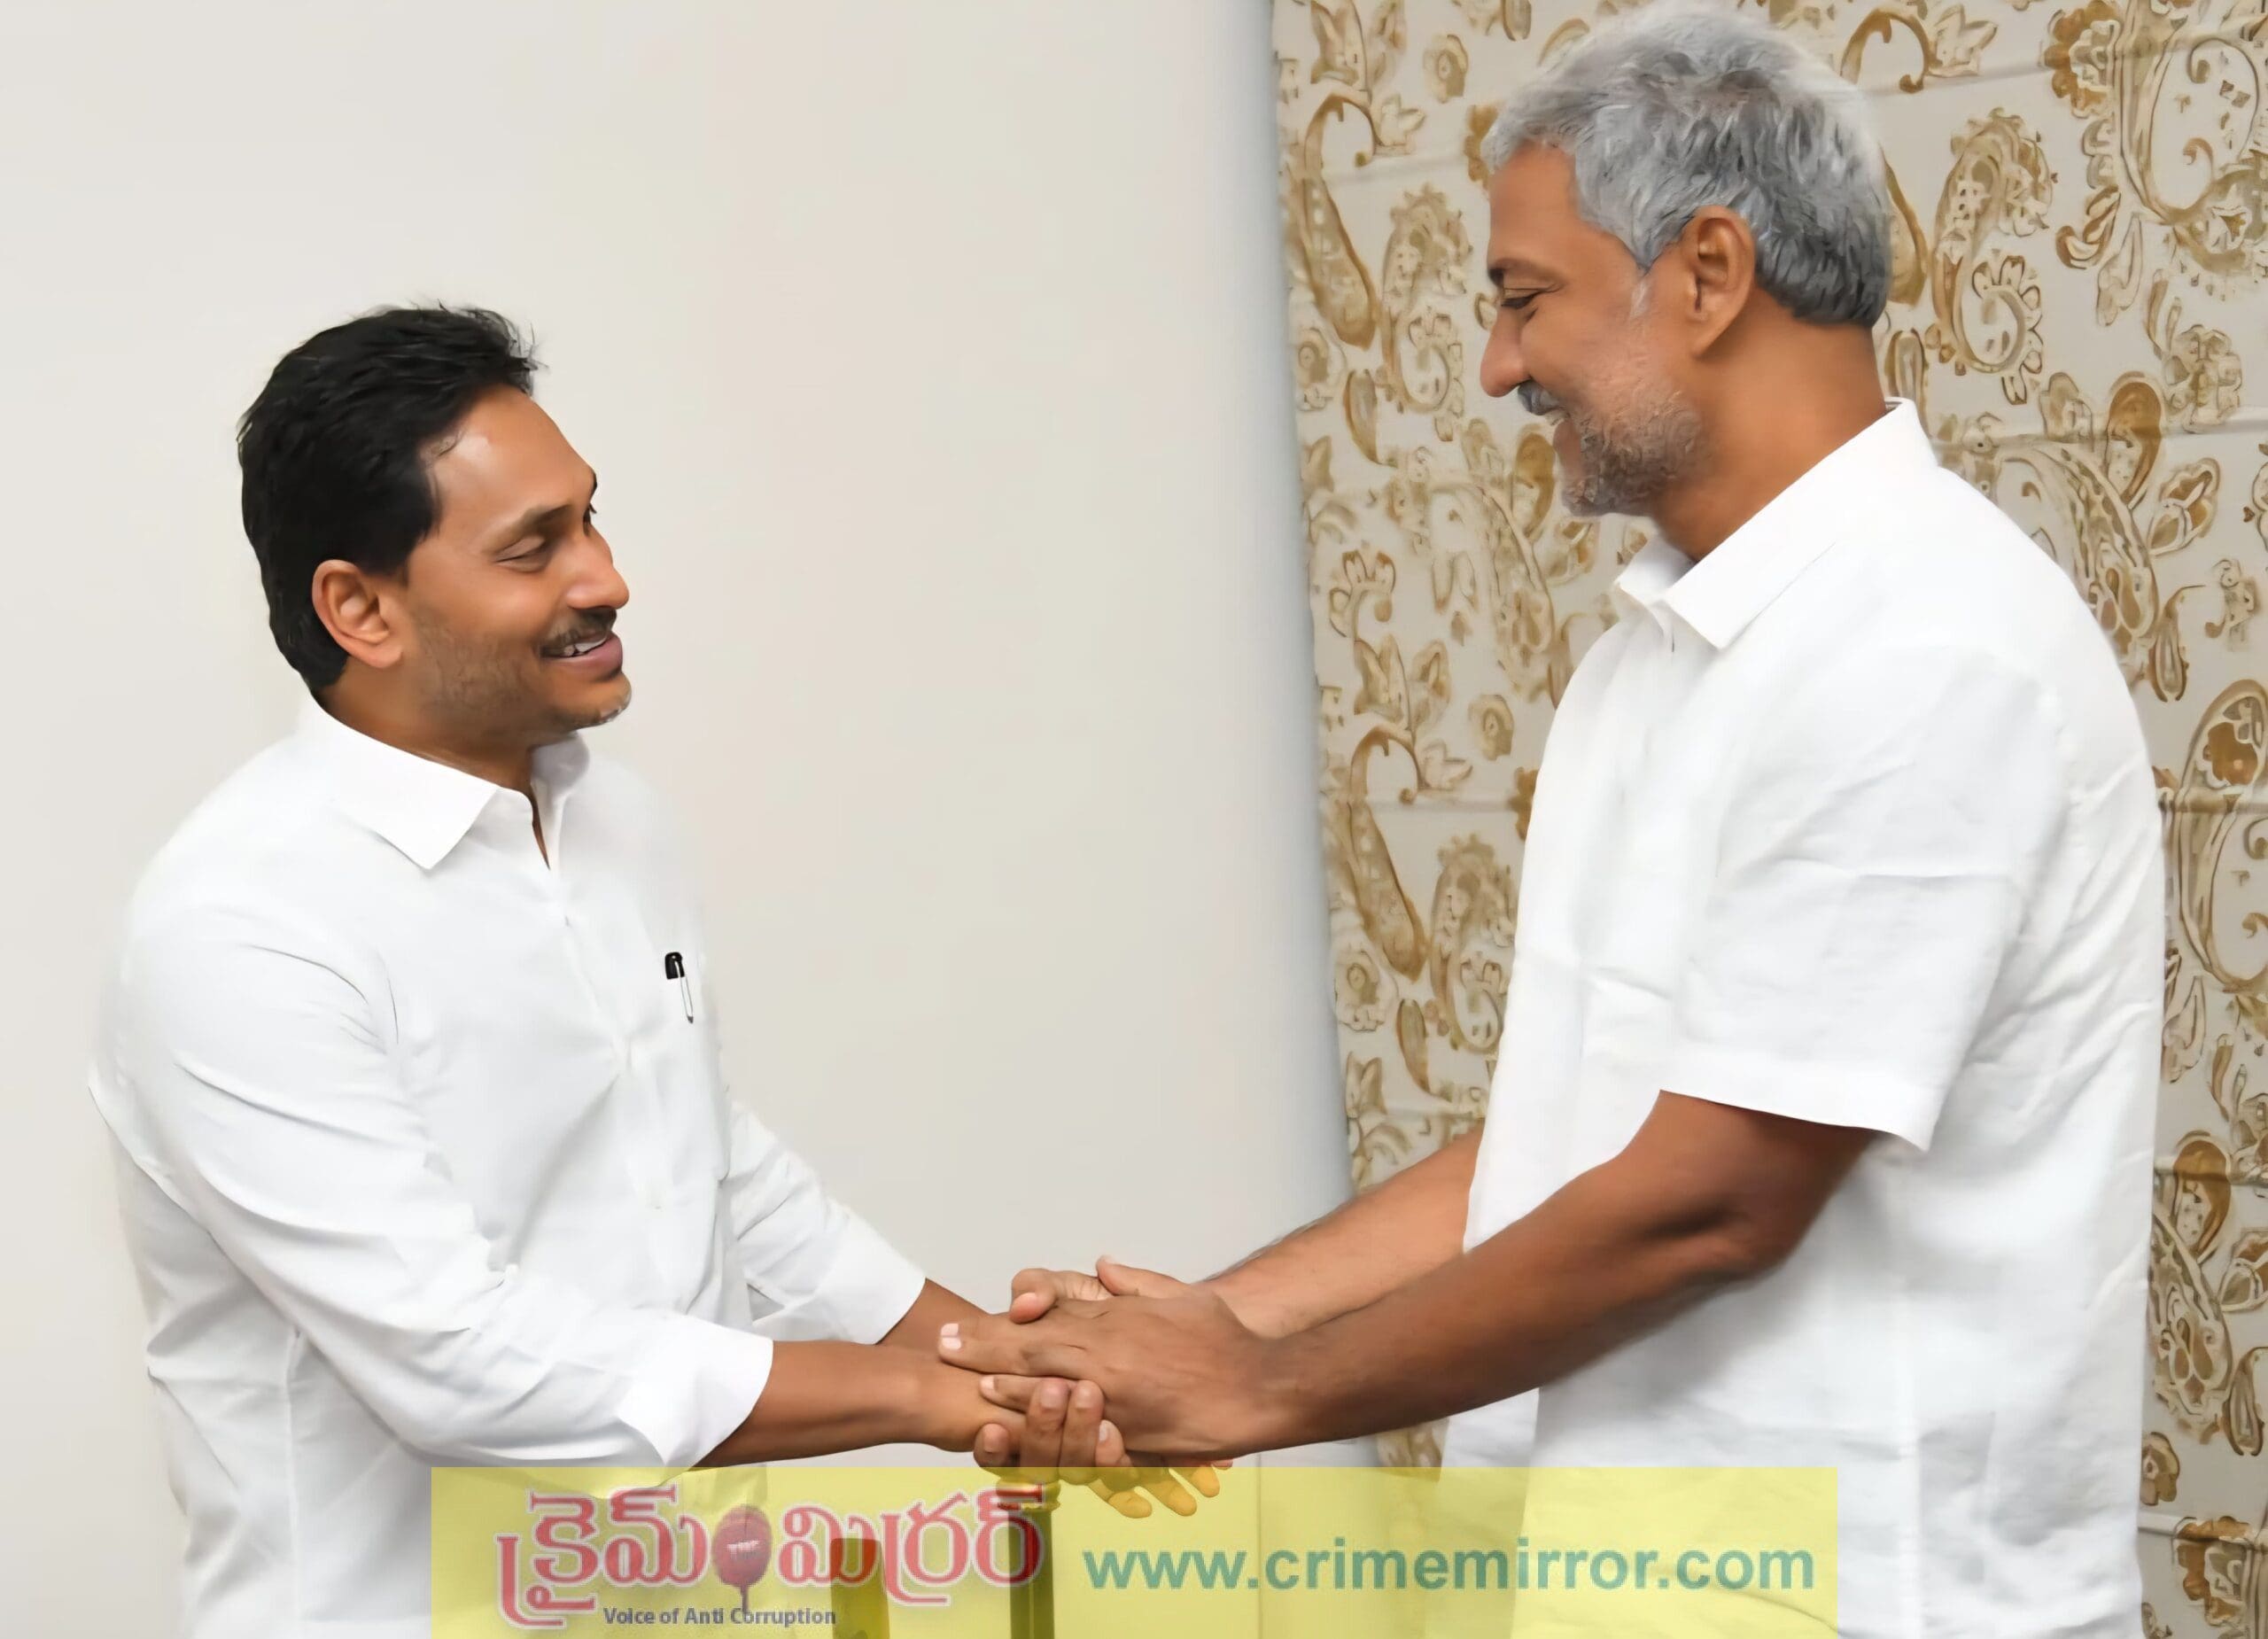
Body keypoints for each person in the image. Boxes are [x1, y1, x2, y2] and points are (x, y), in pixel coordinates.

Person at [938, 8, 2161, 1635]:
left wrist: (1251, 1391)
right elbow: (1575, 1135)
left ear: (1707, 273)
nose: (1499, 366)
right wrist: (1205, 1325)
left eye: (1525, 299)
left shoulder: (1923, 649)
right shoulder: (1663, 657)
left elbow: (1711, 1198)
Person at [89, 307, 1197, 1638]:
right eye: (533, 548)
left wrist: (1015, 1365)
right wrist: (934, 1399)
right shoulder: (239, 924)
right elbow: (456, 1360)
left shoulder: (619, 824)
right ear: (360, 609)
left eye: (591, 520)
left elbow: (714, 1170)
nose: (607, 578)